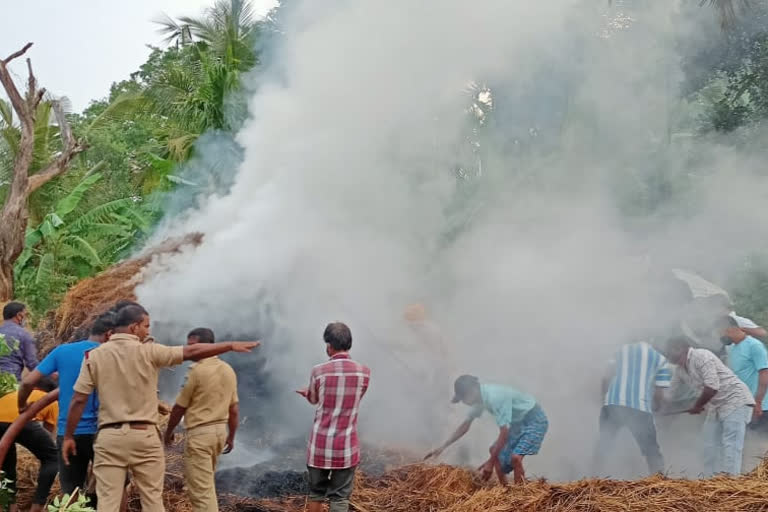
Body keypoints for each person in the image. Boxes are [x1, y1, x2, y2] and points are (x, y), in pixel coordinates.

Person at [61, 305, 260, 512]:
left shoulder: (93, 356)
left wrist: (68, 436)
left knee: (108, 503)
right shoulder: (150, 351)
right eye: (146, 326)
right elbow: (191, 352)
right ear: (134, 326)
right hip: (145, 437)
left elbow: (78, 400)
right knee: (152, 501)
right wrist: (229, 346)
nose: (148, 331)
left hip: (109, 438)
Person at [18, 311, 117, 506]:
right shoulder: (113, 355)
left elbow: (28, 381)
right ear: (110, 334)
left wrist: (22, 405)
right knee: (112, 492)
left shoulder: (62, 351)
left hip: (68, 433)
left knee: (70, 495)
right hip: (104, 433)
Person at [163, 328, 239, 512]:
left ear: (208, 346)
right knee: (206, 483)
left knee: (201, 492)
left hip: (200, 436)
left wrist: (169, 431)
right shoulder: (228, 370)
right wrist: (231, 436)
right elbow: (234, 409)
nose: (190, 351)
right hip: (219, 433)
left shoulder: (196, 371)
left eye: (193, 346)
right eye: (188, 347)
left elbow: (180, 407)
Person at [296, 322, 370, 512]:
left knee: (316, 494)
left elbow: (314, 399)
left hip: (320, 446)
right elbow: (354, 398)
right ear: (349, 344)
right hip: (345, 447)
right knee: (339, 498)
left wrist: (308, 394)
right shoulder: (364, 372)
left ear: (329, 346)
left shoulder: (318, 371)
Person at [425, 375, 548, 485]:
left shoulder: (495, 397)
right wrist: (442, 447)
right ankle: (506, 492)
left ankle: (521, 497)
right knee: (494, 451)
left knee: (515, 458)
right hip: (517, 422)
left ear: (472, 391)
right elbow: (465, 426)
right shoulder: (480, 399)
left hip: (533, 418)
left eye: (463, 398)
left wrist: (490, 462)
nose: (463, 402)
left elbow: (504, 432)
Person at [664, 336, 755, 476]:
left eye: (671, 354)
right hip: (715, 406)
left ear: (681, 348)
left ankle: (731, 483)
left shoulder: (701, 355)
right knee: (708, 445)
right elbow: (670, 394)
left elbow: (712, 387)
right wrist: (656, 408)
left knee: (731, 444)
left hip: (735, 400)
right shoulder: (680, 370)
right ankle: (710, 482)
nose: (671, 359)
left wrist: (697, 405)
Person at [594, 341, 670, 476]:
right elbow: (659, 394)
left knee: (604, 444)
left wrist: (605, 399)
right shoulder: (661, 359)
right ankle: (658, 482)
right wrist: (657, 407)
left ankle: (591, 477)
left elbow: (606, 377)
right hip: (639, 407)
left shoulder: (620, 350)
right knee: (651, 449)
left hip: (611, 404)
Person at [0, 378, 59, 512]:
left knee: (7, 464)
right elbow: (50, 433)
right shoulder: (50, 399)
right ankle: (38, 505)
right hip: (21, 421)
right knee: (52, 457)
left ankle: (11, 505)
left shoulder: (14, 394)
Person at [718, 316, 768, 429]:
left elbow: (765, 374)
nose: (720, 337)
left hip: (762, 407)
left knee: (761, 443)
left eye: (720, 333)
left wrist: (758, 402)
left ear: (729, 329)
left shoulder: (754, 345)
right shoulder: (734, 349)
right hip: (745, 406)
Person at [0, 302, 39, 381]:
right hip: (10, 382)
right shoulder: (23, 334)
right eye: (25, 315)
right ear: (19, 315)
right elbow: (32, 363)